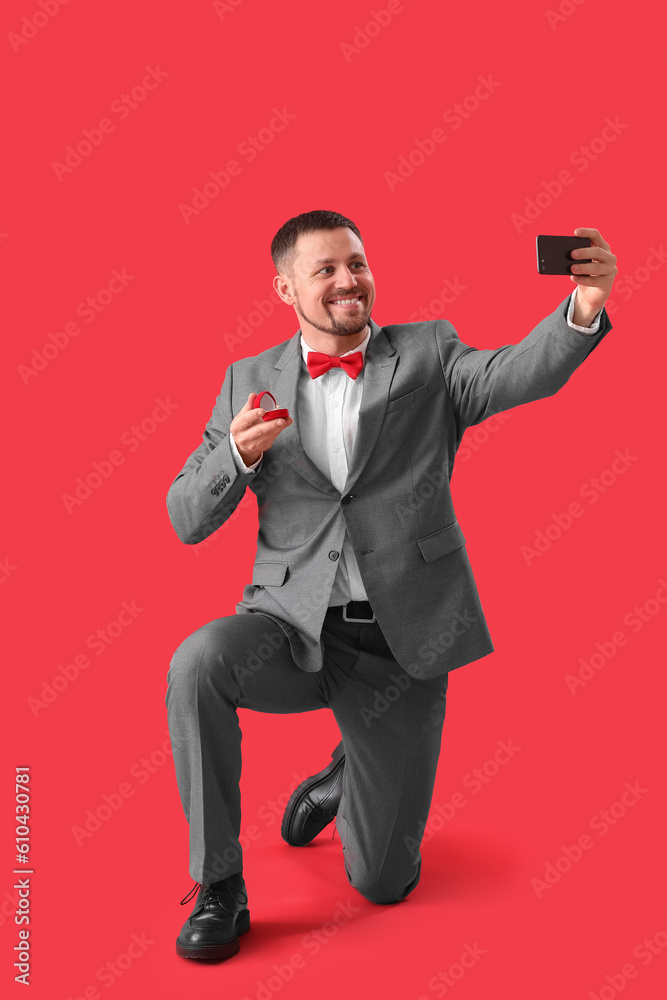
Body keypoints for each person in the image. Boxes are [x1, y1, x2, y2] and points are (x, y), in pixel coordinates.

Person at [165, 210, 617, 962]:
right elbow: (184, 517)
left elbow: (513, 373)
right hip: (289, 629)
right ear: (284, 288)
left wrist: (582, 309)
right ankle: (219, 885)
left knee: (381, 881)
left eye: (357, 264)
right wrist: (233, 463)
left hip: (400, 641)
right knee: (196, 663)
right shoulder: (247, 382)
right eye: (326, 270)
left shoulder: (428, 352)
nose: (349, 281)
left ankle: (345, 772)